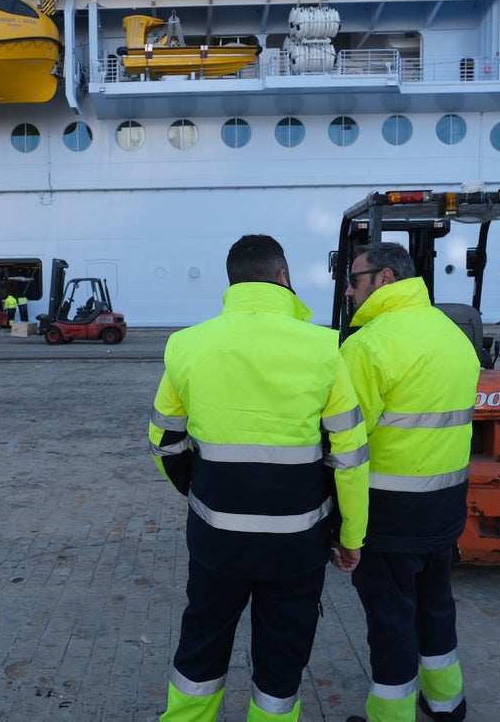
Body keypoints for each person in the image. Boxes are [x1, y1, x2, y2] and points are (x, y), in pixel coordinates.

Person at [149, 234, 369, 722]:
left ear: (232, 283)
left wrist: (202, 489)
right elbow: (349, 457)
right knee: (281, 658)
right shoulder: (325, 347)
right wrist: (350, 534)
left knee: (201, 644)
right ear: (283, 278)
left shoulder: (186, 345)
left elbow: (164, 442)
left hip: (216, 541)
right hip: (296, 546)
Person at [333, 242, 480, 722]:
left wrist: (344, 528)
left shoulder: (368, 346)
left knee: (391, 620)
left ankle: (390, 717)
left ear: (385, 279)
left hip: (390, 515)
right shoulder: (452, 333)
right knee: (435, 606)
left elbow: (346, 448)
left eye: (354, 280)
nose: (349, 290)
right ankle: (446, 705)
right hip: (445, 509)